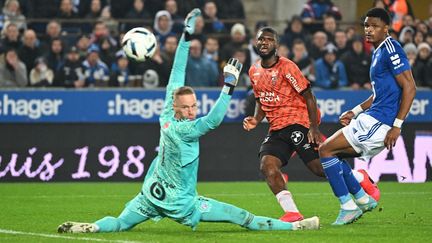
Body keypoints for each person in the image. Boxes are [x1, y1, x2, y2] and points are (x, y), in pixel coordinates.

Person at [57, 9, 320, 234]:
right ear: (178, 108)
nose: (193, 110)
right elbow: (214, 120)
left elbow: (176, 72)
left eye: (194, 105)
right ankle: (296, 226)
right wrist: (228, 85)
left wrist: (186, 36)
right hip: (183, 203)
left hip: (149, 195)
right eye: (188, 107)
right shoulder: (186, 130)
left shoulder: (165, 116)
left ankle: (93, 227)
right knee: (240, 216)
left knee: (119, 223)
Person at [243, 27, 378, 223]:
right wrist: (256, 119)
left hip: (299, 122)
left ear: (276, 44)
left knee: (320, 169)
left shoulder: (287, 67)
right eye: (260, 39)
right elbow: (260, 99)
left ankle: (358, 177)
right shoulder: (254, 71)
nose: (264, 42)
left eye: (269, 39)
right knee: (267, 166)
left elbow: (309, 96)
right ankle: (292, 213)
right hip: (276, 128)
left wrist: (313, 127)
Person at [318, 8, 416, 225]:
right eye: (366, 25)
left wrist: (397, 126)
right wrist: (355, 111)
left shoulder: (391, 48)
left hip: (381, 122)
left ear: (386, 28)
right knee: (333, 155)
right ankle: (362, 199)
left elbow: (410, 86)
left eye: (374, 25)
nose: (368, 30)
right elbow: (378, 93)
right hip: (371, 117)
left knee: (325, 150)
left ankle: (349, 206)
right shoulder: (377, 51)